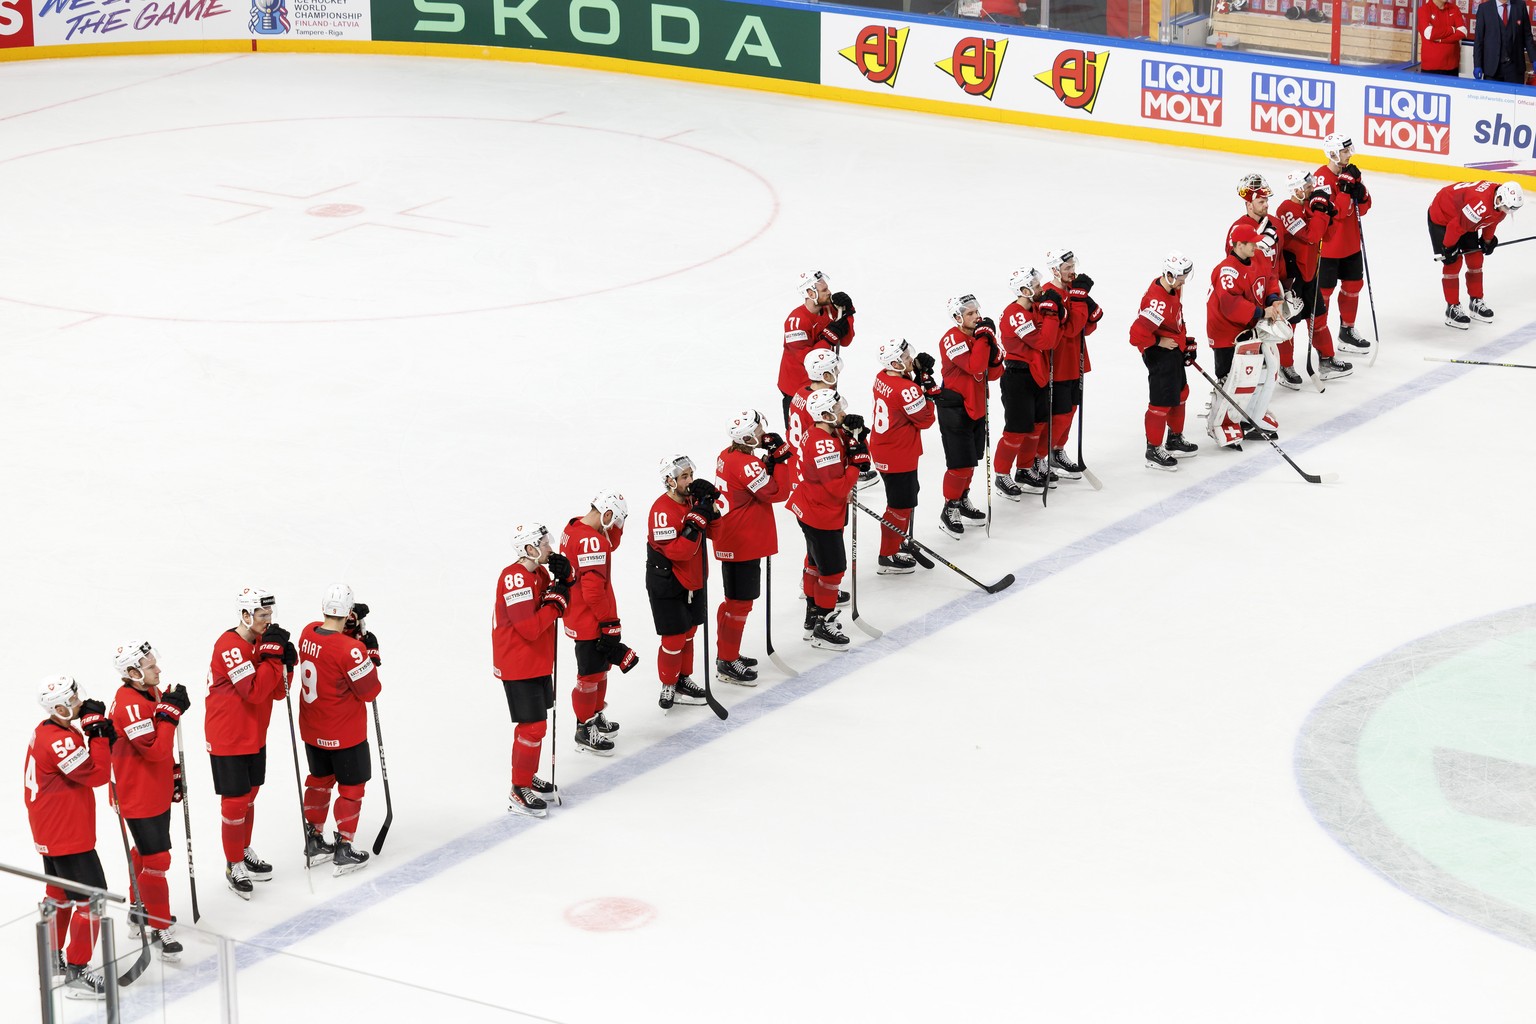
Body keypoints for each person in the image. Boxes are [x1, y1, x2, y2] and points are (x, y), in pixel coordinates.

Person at [25, 676, 114, 999]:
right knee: (92, 899)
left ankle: (52, 960)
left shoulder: (49, 729)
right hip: (66, 833)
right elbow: (97, 775)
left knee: (59, 895)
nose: (80, 702)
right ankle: (77, 971)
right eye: (74, 699)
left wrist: (95, 735)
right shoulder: (59, 740)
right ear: (59, 707)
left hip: (51, 828)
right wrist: (99, 736)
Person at [206, 587, 290, 899]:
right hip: (228, 737)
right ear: (245, 615)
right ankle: (233, 864)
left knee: (250, 796)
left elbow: (279, 693)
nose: (268, 621)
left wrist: (285, 662)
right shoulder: (230, 647)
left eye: (270, 615)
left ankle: (242, 850)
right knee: (235, 801)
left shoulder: (261, 643)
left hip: (255, 733)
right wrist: (272, 658)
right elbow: (253, 691)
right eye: (262, 615)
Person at [108, 640, 188, 961]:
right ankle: (158, 925)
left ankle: (138, 908)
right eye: (151, 666)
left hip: (153, 788)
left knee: (145, 852)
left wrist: (174, 773)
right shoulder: (129, 704)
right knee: (158, 861)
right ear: (132, 673)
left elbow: (161, 754)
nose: (158, 669)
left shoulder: (148, 692)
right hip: (137, 795)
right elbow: (154, 749)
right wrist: (169, 715)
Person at [296, 584, 381, 875]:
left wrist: (348, 630)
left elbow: (329, 647)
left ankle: (314, 838)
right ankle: (344, 846)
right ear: (347, 613)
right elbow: (370, 691)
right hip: (344, 732)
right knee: (351, 788)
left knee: (319, 780)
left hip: (311, 727)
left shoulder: (307, 633)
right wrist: (370, 657)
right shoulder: (353, 649)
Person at [493, 523, 569, 816]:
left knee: (538, 724)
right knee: (532, 726)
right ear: (529, 549)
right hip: (518, 662)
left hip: (535, 660)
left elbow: (553, 601)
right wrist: (556, 603)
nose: (550, 547)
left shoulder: (537, 573)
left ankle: (527, 776)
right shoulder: (514, 578)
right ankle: (518, 789)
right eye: (544, 543)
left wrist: (566, 580)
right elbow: (529, 628)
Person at [712, 410, 790, 683]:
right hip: (742, 539)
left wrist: (768, 461)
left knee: (734, 602)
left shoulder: (727, 455)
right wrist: (781, 460)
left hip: (733, 536)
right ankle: (728, 660)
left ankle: (727, 654)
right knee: (739, 604)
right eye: (757, 430)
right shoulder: (747, 465)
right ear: (746, 437)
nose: (762, 433)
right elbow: (778, 492)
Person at [560, 490, 639, 755]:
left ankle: (593, 715)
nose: (617, 529)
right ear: (606, 515)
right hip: (590, 619)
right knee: (590, 676)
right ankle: (584, 728)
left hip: (579, 614)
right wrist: (608, 621)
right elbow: (593, 590)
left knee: (601, 669)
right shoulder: (593, 542)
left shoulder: (573, 527)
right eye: (616, 521)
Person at [784, 388, 862, 649]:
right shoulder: (823, 442)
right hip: (821, 514)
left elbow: (850, 451)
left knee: (816, 565)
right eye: (838, 410)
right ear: (826, 414)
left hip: (811, 508)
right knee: (833, 571)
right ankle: (823, 625)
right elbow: (838, 488)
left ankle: (812, 617)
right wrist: (855, 466)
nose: (843, 412)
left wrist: (856, 436)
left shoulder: (827, 431)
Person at [646, 455, 719, 711]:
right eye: (684, 476)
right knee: (674, 638)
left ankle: (683, 679)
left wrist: (710, 505)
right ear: (670, 480)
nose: (690, 481)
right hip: (667, 581)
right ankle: (669, 684)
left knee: (689, 633)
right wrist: (695, 521)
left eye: (690, 474)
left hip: (695, 577)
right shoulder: (661, 512)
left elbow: (717, 532)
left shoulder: (693, 502)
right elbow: (679, 552)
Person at [1206, 221, 1287, 448]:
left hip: (1249, 326)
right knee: (1229, 378)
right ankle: (1220, 424)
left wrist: (1273, 299)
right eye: (1251, 243)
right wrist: (1262, 311)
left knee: (1255, 374)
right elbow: (1230, 305)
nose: (1256, 246)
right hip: (1226, 332)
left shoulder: (1258, 257)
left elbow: (1269, 279)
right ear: (1238, 245)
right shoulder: (1227, 271)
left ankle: (1247, 416)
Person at [1274, 170, 1354, 383]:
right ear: (1296, 189)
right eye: (1307, 186)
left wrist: (1330, 213)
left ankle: (1326, 360)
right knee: (1289, 322)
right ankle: (1285, 366)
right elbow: (1311, 236)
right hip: (1292, 277)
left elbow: (1326, 236)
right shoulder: (1286, 209)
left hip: (1311, 272)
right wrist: (1320, 213)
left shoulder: (1307, 207)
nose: (1311, 188)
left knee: (1318, 318)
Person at [935, 294, 1003, 537]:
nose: (977, 317)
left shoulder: (978, 336)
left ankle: (962, 499)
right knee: (959, 464)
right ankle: (949, 507)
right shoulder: (951, 338)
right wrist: (986, 339)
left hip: (976, 405)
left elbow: (994, 373)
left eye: (977, 312)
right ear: (958, 317)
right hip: (954, 407)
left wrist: (992, 345)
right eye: (970, 314)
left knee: (971, 460)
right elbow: (975, 366)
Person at [868, 338, 937, 570]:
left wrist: (916, 374)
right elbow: (925, 420)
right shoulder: (906, 389)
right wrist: (926, 390)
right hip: (897, 454)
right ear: (895, 363)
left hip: (886, 447)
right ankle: (887, 555)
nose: (910, 359)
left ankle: (897, 541)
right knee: (899, 506)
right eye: (906, 358)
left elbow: (903, 394)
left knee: (906, 498)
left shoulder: (882, 376)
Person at [1130, 251, 1201, 470]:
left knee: (1180, 394)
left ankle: (1174, 438)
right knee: (1160, 403)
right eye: (1182, 276)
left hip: (1173, 350)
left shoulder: (1173, 289)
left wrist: (1184, 342)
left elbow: (1176, 320)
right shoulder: (1156, 302)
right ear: (1170, 275)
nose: (1184, 281)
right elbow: (1135, 335)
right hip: (1159, 355)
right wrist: (1159, 341)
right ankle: (1153, 450)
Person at [1036, 251, 1103, 481]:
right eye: (1067, 268)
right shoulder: (1049, 292)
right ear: (1055, 270)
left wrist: (1084, 305)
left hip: (1076, 361)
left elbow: (1086, 327)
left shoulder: (1073, 291)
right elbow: (1072, 328)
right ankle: (1039, 456)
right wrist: (1079, 300)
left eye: (1073, 266)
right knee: (1060, 414)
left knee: (1071, 410)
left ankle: (1056, 451)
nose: (1072, 271)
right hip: (1059, 363)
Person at [1228, 174, 1299, 386]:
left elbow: (1284, 253)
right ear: (1249, 204)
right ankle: (1247, 382)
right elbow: (1232, 263)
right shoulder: (1238, 229)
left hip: (1272, 288)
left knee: (1281, 329)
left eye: (1267, 200)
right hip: (1249, 293)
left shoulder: (1276, 223)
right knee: (1251, 338)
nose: (1266, 204)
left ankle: (1285, 366)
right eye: (1261, 201)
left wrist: (1287, 284)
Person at [1428, 180, 1524, 326]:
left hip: (1463, 216)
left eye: (1512, 209)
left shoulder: (1500, 203)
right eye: (1507, 207)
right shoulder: (1480, 205)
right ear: (1499, 199)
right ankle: (1452, 308)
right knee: (1453, 263)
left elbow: (1492, 220)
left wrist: (1487, 241)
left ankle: (1476, 302)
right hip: (1443, 214)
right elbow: (1455, 227)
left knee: (1475, 258)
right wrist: (1448, 249)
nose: (1508, 211)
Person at [1314, 133, 1374, 356]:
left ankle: (1346, 331)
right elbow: (1336, 214)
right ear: (1332, 153)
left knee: (1352, 288)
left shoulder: (1350, 174)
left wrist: (1362, 193)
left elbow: (1365, 208)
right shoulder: (1321, 179)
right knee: (1325, 293)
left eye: (1349, 150)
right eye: (1344, 151)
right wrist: (1347, 191)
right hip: (1328, 248)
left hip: (1351, 245)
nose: (1349, 155)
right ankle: (1322, 335)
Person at [778, 270, 856, 427]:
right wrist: (828, 337)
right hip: (797, 388)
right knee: (800, 433)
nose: (829, 293)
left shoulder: (830, 310)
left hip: (822, 383)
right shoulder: (796, 322)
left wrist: (848, 312)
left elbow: (846, 341)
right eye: (824, 290)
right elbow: (806, 359)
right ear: (809, 292)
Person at [1474, 0, 1536, 82]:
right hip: (1492, 68)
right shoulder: (1484, 8)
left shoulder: (1520, 6)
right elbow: (1479, 40)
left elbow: (1527, 36)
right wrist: (1477, 64)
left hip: (1515, 68)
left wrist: (1534, 59)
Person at [1418, 0, 1469, 75]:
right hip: (1431, 67)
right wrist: (1452, 29)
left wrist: (1441, 40)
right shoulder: (1424, 10)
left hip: (1452, 66)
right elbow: (1429, 33)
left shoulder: (1454, 8)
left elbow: (1463, 32)